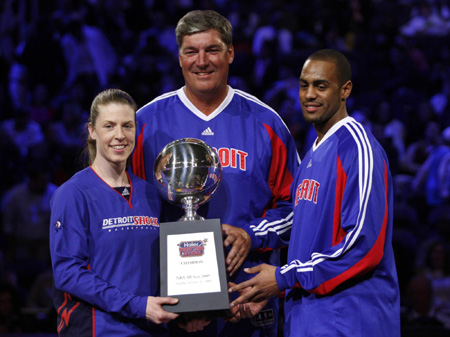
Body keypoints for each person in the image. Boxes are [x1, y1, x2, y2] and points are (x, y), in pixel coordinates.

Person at [131, 9, 299, 337]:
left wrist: (252, 234)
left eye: (213, 50)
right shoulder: (144, 124)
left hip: (249, 302)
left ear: (231, 53)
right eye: (191, 52)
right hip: (170, 305)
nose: (202, 61)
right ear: (179, 58)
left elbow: (297, 209)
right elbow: (126, 213)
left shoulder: (267, 124)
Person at [229, 49, 401, 336]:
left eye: (321, 86)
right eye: (304, 84)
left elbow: (364, 247)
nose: (309, 94)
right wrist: (275, 288)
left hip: (352, 321)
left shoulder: (358, 148)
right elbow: (307, 239)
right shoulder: (311, 154)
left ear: (345, 89)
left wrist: (284, 278)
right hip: (310, 319)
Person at [49, 89, 180, 336]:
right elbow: (67, 273)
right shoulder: (72, 193)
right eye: (109, 126)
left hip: (150, 328)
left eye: (127, 126)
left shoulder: (150, 192)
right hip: (97, 330)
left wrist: (185, 310)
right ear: (92, 131)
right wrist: (137, 305)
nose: (119, 136)